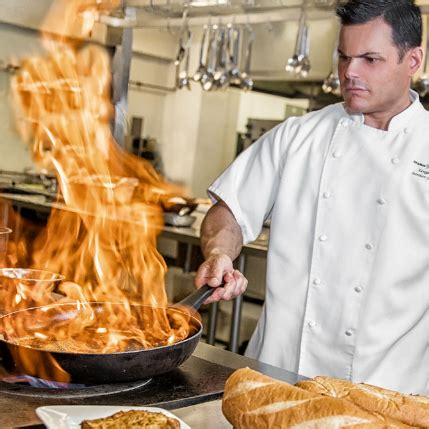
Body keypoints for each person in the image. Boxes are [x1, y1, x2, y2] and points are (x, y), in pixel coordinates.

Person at [195, 0, 429, 395]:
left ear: (413, 60)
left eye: (370, 59)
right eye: (344, 57)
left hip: (387, 391)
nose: (349, 72)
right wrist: (220, 252)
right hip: (277, 373)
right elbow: (228, 211)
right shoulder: (298, 136)